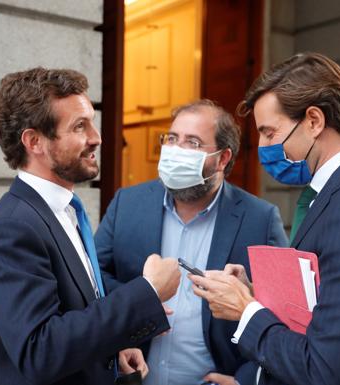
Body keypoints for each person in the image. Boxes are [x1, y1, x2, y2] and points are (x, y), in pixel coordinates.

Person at [189, 53, 340, 385]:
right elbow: (326, 309)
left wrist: (246, 312)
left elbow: (327, 371)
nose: (263, 147)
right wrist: (255, 293)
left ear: (313, 121)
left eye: (269, 132)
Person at [0, 67, 181, 385]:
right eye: (79, 126)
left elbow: (76, 312)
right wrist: (147, 291)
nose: (96, 137)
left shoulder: (65, 210)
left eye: (91, 123)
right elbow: (39, 351)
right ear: (34, 141)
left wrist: (114, 346)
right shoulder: (12, 228)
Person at [95, 99, 288, 385]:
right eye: (172, 139)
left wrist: (246, 380)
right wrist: (128, 320)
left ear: (223, 159)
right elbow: (94, 280)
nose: (176, 150)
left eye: (193, 143)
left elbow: (283, 311)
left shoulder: (259, 219)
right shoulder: (128, 203)